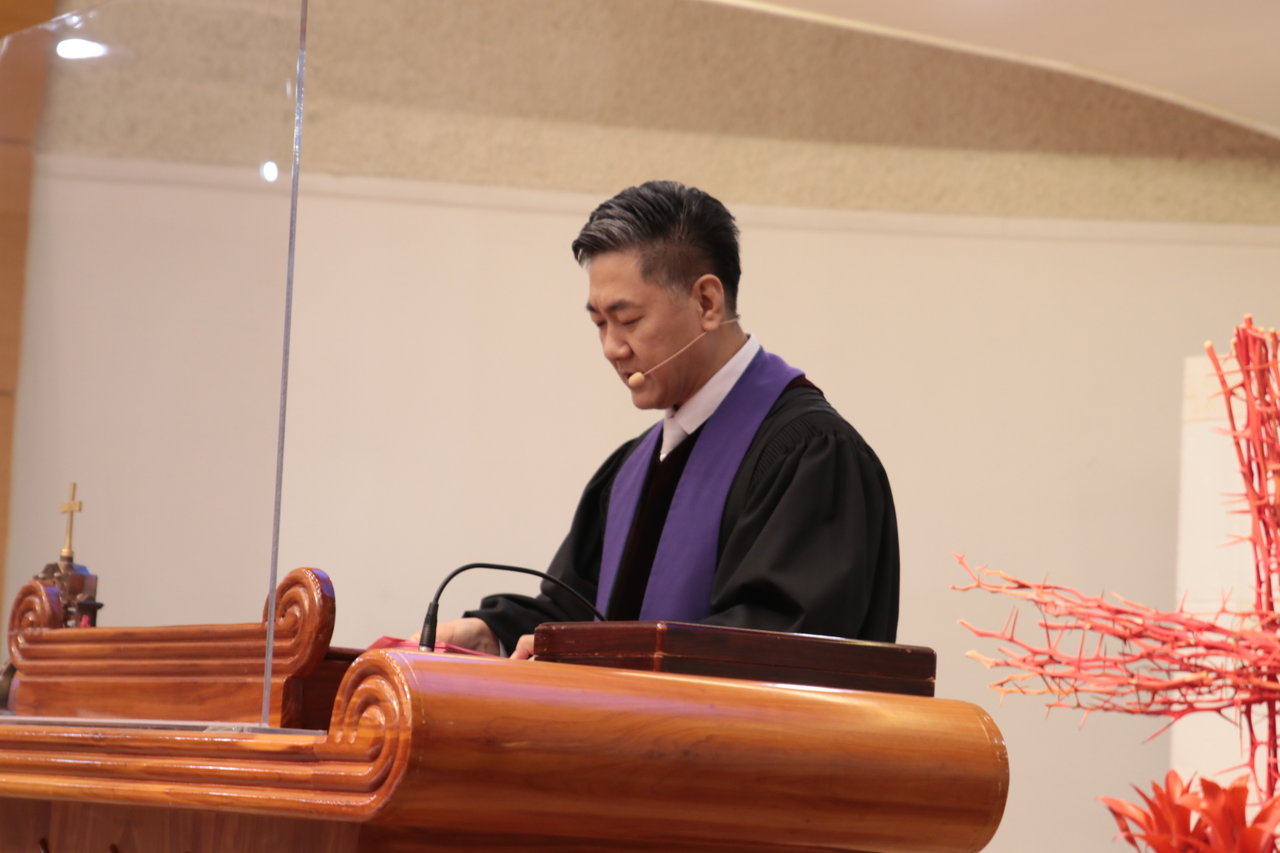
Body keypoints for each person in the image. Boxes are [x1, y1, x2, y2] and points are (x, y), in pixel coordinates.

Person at [432, 180, 899, 658]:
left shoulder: (810, 454)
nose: (612, 348)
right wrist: (492, 634)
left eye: (628, 320)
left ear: (707, 303)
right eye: (599, 323)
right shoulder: (632, 468)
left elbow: (782, 643)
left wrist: (605, 654)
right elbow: (577, 609)